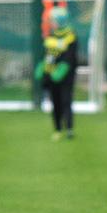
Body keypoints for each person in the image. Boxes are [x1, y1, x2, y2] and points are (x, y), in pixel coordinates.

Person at [34, 7, 77, 141]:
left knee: (66, 101)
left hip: (66, 78)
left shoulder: (70, 36)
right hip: (51, 76)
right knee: (55, 103)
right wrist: (42, 67)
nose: (51, 23)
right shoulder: (51, 36)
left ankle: (69, 128)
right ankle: (57, 129)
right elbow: (47, 55)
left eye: (53, 20)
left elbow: (70, 58)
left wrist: (63, 69)